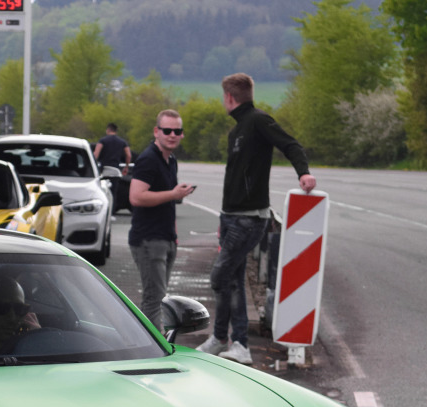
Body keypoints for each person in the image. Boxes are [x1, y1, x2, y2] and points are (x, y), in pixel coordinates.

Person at [198, 72, 316, 366]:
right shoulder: (235, 131)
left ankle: (220, 338)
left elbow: (291, 145)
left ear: (228, 97)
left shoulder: (258, 121)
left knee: (219, 277)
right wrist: (223, 217)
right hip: (231, 217)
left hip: (249, 219)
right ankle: (237, 343)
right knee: (234, 279)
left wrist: (304, 172)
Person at [128, 110, 195, 326]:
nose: (172, 135)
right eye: (167, 130)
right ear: (157, 131)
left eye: (177, 131)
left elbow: (166, 200)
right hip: (148, 239)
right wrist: (174, 194)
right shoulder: (148, 159)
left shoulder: (170, 160)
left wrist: (173, 236)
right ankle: (151, 349)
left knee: (159, 299)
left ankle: (153, 343)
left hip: (165, 238)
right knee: (154, 299)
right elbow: (136, 197)